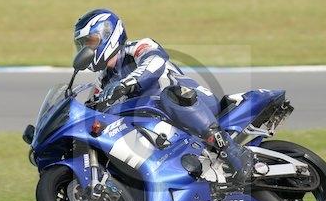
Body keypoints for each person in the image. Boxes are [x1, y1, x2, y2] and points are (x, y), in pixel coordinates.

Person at [73, 9, 253, 184]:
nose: (86, 49)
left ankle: (231, 150)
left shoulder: (137, 47)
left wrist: (126, 83)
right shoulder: (103, 81)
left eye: (90, 42)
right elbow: (93, 112)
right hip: (162, 126)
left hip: (193, 102)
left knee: (171, 95)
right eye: (82, 45)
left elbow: (155, 61)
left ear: (108, 35)